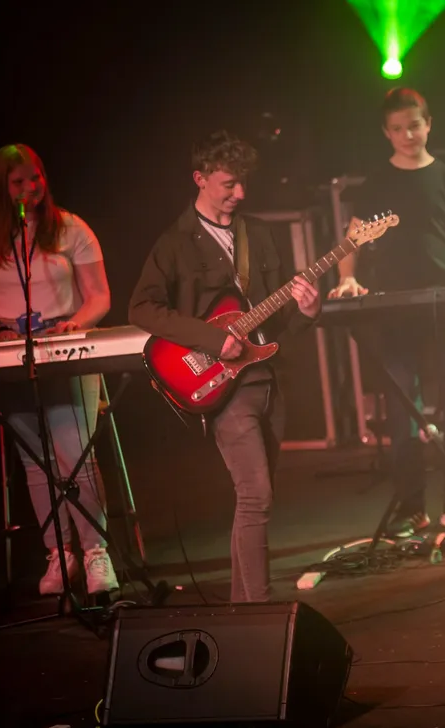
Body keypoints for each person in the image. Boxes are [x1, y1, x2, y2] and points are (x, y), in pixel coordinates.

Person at [128, 131, 320, 603]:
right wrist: (216, 339)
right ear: (200, 178)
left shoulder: (259, 232)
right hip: (222, 385)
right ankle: (261, 611)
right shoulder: (175, 243)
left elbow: (282, 315)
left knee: (255, 499)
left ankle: (242, 608)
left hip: (269, 378)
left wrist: (308, 310)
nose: (240, 194)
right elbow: (142, 310)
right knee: (256, 496)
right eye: (229, 184)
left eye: (243, 184)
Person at [328, 87, 445, 538]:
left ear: (428, 124)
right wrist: (347, 277)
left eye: (414, 125)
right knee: (401, 414)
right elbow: (351, 239)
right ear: (386, 133)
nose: (407, 134)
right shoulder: (376, 184)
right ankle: (412, 507)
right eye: (397, 128)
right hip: (393, 310)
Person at [0, 144, 119, 597]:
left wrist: (75, 324)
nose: (30, 189)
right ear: (3, 188)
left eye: (36, 178)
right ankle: (58, 554)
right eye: (19, 182)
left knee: (75, 455)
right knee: (35, 461)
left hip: (62, 345)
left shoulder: (71, 229)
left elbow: (99, 295)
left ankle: (95, 553)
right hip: (7, 352)